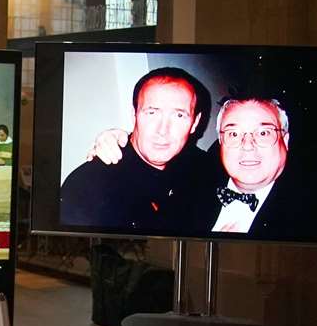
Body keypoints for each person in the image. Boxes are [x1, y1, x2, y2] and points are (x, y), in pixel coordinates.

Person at [59, 66, 213, 232]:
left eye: (179, 115)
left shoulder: (204, 168)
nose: (163, 130)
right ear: (134, 114)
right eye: (152, 113)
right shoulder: (87, 185)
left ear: (195, 123)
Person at [187, 95, 308, 238]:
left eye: (263, 133)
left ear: (285, 141)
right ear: (220, 143)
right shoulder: (189, 193)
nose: (248, 146)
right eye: (234, 134)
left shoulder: (314, 214)